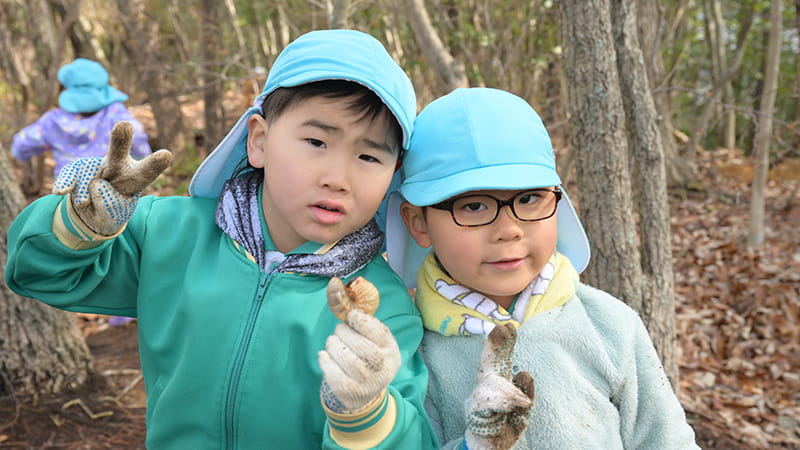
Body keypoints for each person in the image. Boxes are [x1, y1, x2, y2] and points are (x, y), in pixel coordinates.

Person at [6, 30, 438, 449]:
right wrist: (80, 223)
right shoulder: (169, 235)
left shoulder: (383, 308)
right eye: (316, 141)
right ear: (259, 141)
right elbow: (38, 274)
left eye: (368, 156)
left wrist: (365, 415)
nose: (337, 178)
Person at [385, 87, 700, 449]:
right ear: (418, 222)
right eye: (473, 206)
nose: (509, 230)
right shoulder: (412, 352)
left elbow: (666, 439)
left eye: (530, 198)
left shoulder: (609, 325)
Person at [11, 57, 151, 176]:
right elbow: (136, 135)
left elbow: (20, 146)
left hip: (67, 194)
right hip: (111, 190)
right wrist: (139, 163)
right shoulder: (113, 113)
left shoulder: (53, 121)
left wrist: (25, 155)